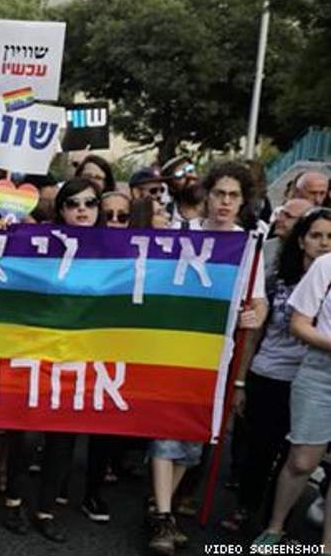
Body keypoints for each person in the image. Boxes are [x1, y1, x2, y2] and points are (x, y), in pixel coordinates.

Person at [149, 161, 268, 556]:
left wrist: (256, 313)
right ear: (208, 195)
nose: (226, 202)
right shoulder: (183, 234)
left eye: (234, 196)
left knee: (193, 436)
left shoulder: (248, 246)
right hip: (175, 348)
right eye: (220, 193)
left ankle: (161, 503)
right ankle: (165, 516)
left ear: (244, 201)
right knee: (166, 429)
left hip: (216, 355)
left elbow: (259, 299)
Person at [3, 178, 103, 544]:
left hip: (81, 356)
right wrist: (3, 231)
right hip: (36, 350)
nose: (81, 209)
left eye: (90, 203)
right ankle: (13, 500)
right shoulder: (37, 242)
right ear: (60, 209)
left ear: (98, 209)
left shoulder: (112, 250)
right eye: (73, 203)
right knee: (27, 434)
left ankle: (45, 509)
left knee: (63, 438)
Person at [222, 208, 331, 534]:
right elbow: (254, 334)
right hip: (273, 376)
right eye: (316, 235)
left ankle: (280, 522)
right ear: (300, 240)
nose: (324, 243)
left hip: (312, 375)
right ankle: (248, 509)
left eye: (330, 237)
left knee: (297, 457)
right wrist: (240, 382)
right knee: (263, 450)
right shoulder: (276, 282)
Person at [252, 238, 331, 551]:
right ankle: (276, 527)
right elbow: (299, 325)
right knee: (301, 461)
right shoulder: (326, 266)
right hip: (321, 370)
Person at [264, 199, 315, 276]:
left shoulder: (311, 252)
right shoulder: (265, 247)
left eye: (288, 216)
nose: (279, 219)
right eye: (280, 214)